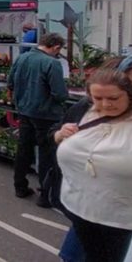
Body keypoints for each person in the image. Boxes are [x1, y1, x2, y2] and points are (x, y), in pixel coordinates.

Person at [54, 67, 132, 261]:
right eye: (97, 98)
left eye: (114, 99)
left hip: (120, 217)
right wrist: (59, 134)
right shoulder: (84, 109)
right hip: (79, 208)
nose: (105, 104)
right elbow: (54, 135)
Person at [8, 33, 68, 207]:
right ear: (56, 47)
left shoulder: (23, 58)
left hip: (24, 110)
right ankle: (45, 193)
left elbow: (11, 82)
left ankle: (20, 186)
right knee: (47, 153)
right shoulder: (52, 63)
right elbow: (59, 93)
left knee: (24, 148)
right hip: (46, 114)